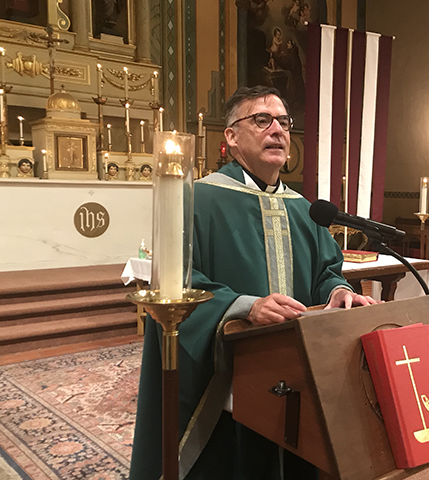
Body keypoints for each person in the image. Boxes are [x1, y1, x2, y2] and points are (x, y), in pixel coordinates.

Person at [130, 85, 377, 480]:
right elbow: (176, 279)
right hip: (226, 374)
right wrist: (247, 306)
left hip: (298, 369)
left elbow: (326, 271)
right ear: (231, 136)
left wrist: (339, 293)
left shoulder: (304, 208)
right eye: (262, 120)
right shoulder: (199, 199)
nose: (277, 129)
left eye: (283, 122)